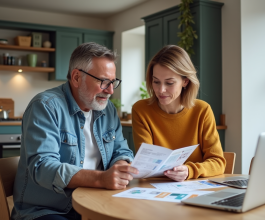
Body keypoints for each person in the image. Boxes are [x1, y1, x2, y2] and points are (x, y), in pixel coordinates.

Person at [12, 42, 138, 220]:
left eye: (113, 82)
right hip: (47, 210)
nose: (110, 91)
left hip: (96, 201)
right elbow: (42, 168)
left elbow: (121, 150)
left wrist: (120, 167)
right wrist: (101, 179)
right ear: (77, 77)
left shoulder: (107, 109)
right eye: (103, 81)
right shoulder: (45, 106)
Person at [132, 45, 226, 182]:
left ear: (185, 81)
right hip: (153, 190)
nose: (161, 90)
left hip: (194, 190)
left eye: (169, 83)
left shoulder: (202, 110)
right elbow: (147, 166)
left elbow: (218, 163)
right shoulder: (141, 110)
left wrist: (189, 170)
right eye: (156, 81)